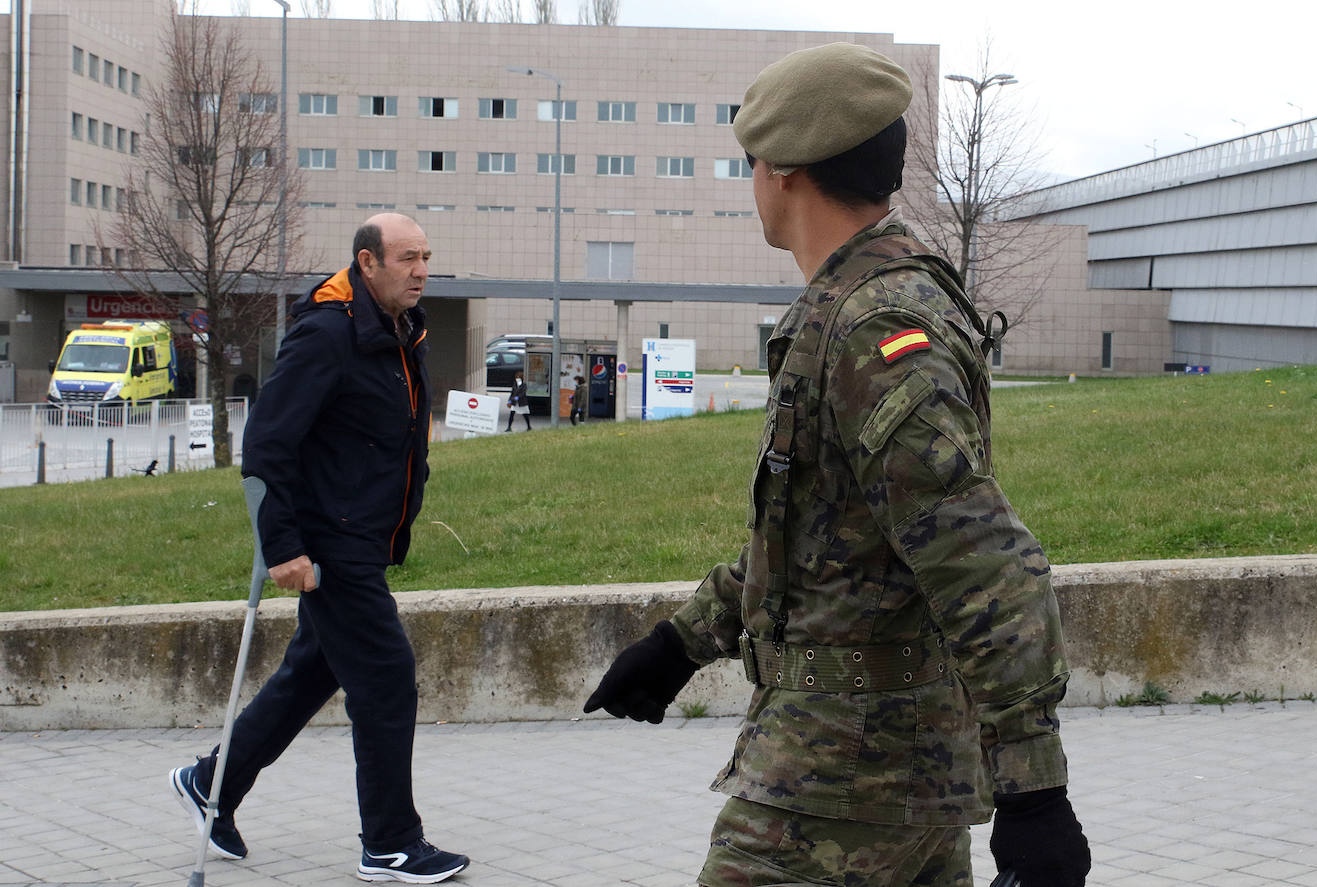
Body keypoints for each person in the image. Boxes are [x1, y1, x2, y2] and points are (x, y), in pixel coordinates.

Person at [583, 44, 1090, 887]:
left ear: (780, 168)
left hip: (840, 783)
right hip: (885, 772)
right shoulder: (878, 298)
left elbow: (984, 557)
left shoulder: (873, 328)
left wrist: (1036, 792)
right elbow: (829, 534)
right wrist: (683, 641)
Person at [169, 213, 469, 884]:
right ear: (367, 262)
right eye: (406, 258)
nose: (421, 269)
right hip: (331, 539)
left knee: (312, 671)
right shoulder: (328, 334)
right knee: (386, 675)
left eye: (426, 257)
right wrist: (281, 545)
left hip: (363, 534)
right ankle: (390, 841)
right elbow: (266, 444)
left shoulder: (397, 330)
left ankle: (209, 781)